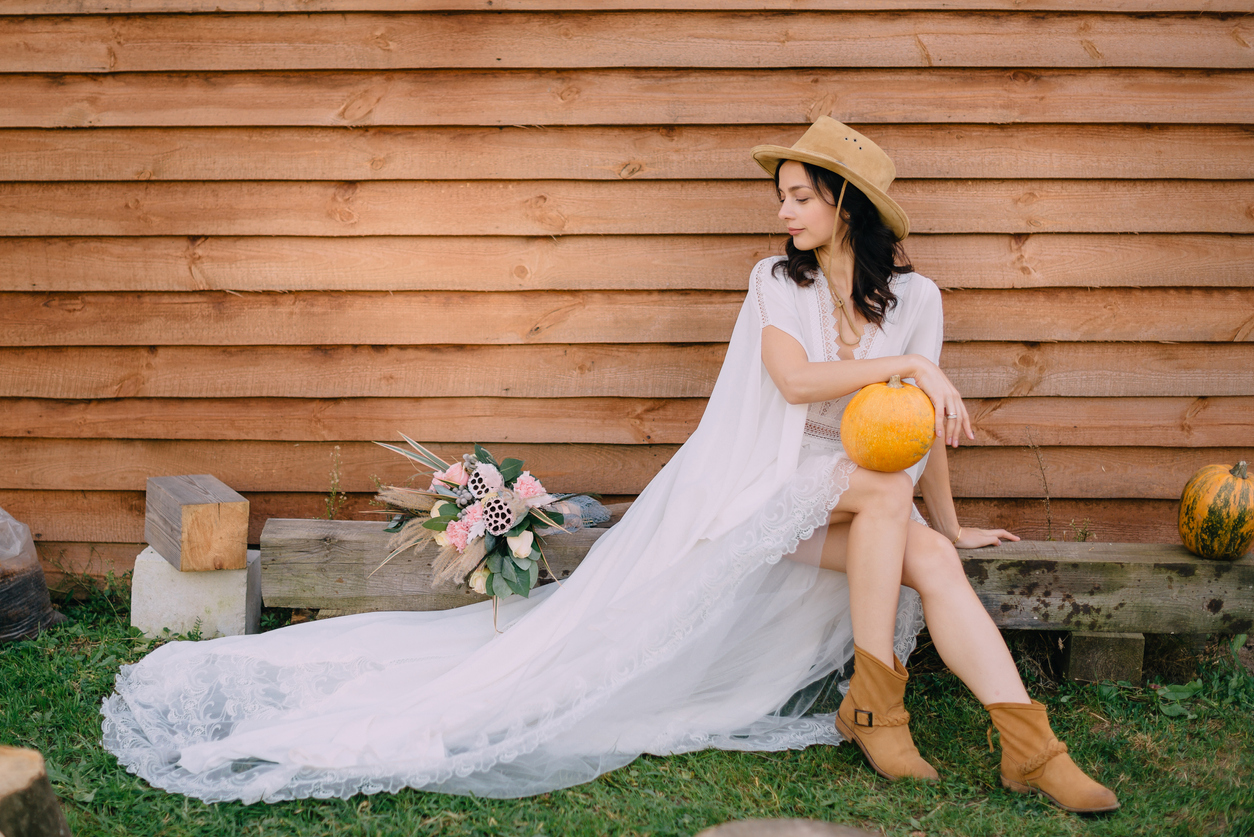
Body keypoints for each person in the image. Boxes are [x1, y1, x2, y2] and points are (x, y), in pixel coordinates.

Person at [102, 118, 1117, 813]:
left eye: (799, 197)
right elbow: (804, 388)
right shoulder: (776, 283)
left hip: (864, 500)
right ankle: (880, 707)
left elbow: (919, 430)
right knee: (891, 500)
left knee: (930, 558)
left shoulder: (919, 300)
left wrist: (950, 520)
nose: (782, 214)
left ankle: (1026, 746)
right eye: (781, 198)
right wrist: (910, 374)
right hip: (753, 492)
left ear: (846, 202)